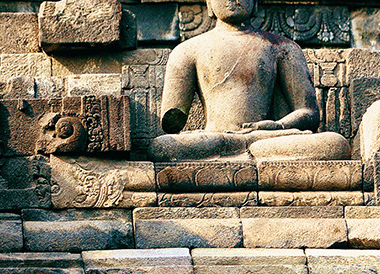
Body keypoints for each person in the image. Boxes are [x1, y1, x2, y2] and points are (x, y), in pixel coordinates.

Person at [150, 0, 352, 162]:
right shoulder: (187, 50)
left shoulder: (282, 47)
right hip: (216, 138)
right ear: (209, 4)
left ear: (255, 3)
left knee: (335, 145)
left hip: (267, 138)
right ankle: (243, 151)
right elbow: (172, 121)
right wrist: (173, 114)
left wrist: (278, 126)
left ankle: (245, 151)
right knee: (163, 147)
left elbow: (308, 112)